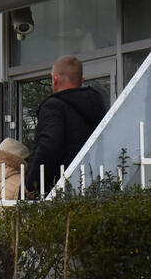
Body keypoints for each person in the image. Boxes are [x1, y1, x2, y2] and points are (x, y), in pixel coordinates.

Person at [24, 55, 107, 196]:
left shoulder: (54, 107)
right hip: (93, 184)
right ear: (82, 81)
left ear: (54, 79)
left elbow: (48, 147)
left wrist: (31, 185)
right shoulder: (98, 106)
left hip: (60, 190)